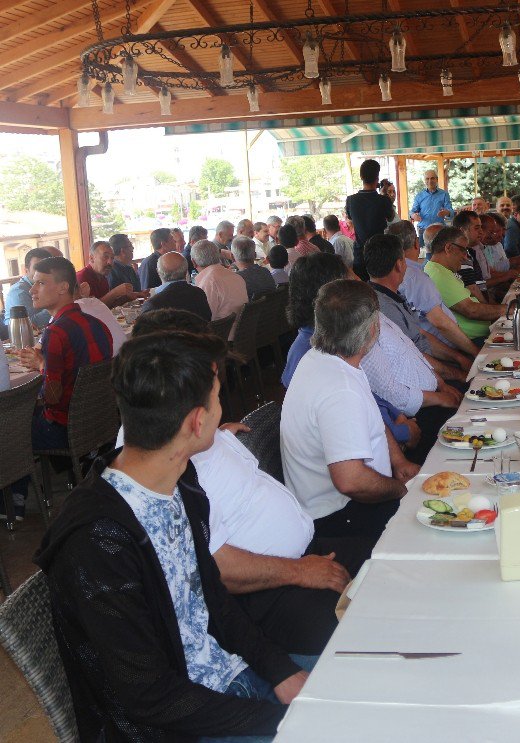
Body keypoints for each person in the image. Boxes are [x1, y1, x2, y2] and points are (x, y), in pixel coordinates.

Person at [36, 330, 307, 741]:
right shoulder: (99, 540)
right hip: (176, 726)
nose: (222, 410)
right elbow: (149, 697)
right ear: (197, 421)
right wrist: (277, 721)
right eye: (217, 399)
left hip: (228, 680)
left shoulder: (180, 480)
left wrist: (280, 669)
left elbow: (212, 597)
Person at [127, 309, 364, 657]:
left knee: (394, 563)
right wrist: (299, 571)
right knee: (372, 634)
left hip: (302, 553)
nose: (217, 406)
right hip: (264, 593)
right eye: (210, 390)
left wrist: (216, 436)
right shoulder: (161, 470)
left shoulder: (186, 434)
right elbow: (214, 567)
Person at [281, 280, 419, 539]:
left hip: (352, 503)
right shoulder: (339, 387)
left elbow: (372, 418)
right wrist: (399, 490)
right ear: (372, 331)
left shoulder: (324, 359)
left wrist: (398, 462)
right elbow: (351, 481)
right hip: (341, 518)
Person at [281, 253, 422, 455]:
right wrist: (400, 432)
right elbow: (344, 427)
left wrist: (395, 413)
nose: (358, 279)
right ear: (333, 296)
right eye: (349, 277)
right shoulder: (310, 353)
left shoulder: (336, 337)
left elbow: (366, 392)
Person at [12, 257, 112, 518]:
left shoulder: (55, 332)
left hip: (65, 428)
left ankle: (13, 503)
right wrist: (45, 363)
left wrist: (43, 368)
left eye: (41, 283)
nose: (32, 290)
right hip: (99, 421)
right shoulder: (97, 324)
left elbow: (52, 397)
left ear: (62, 288)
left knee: (13, 426)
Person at [365, 233, 472, 381]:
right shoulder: (383, 308)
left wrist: (459, 358)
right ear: (399, 264)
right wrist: (457, 375)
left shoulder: (391, 295)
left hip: (431, 367)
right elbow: (412, 355)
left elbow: (420, 335)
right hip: (421, 380)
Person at [386, 220, 480, 357]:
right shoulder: (415, 277)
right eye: (462, 250)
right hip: (444, 352)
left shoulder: (393, 273)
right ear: (416, 243)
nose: (465, 255)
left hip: (423, 350)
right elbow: (440, 323)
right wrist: (475, 353)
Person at [425, 226, 505, 344]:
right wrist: (508, 309)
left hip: (484, 334)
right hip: (474, 341)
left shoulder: (444, 270)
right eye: (463, 250)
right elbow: (471, 310)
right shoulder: (438, 273)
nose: (465, 257)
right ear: (448, 248)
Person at [345, 159, 394, 279]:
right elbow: (391, 217)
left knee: (363, 290)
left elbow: (350, 218)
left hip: (360, 253)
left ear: (361, 177)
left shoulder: (351, 200)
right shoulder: (383, 200)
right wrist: (384, 196)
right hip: (380, 252)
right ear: (377, 178)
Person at [140, 251, 212, 321]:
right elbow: (207, 320)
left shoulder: (153, 305)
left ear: (158, 272)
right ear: (186, 271)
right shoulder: (199, 293)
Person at [191, 239, 249, 322]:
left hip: (221, 333)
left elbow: (204, 320)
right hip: (242, 330)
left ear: (193, 262)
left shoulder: (208, 283)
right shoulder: (237, 277)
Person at [4, 247, 56, 329]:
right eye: (37, 268)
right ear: (26, 270)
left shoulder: (49, 285)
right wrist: (57, 306)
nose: (42, 272)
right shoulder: (18, 292)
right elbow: (28, 325)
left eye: (46, 268)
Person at [76, 240, 138, 308]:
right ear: (91, 258)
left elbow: (108, 305)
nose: (110, 262)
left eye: (112, 258)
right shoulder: (81, 277)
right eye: (105, 257)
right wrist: (114, 293)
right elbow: (90, 309)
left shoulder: (102, 277)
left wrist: (127, 297)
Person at [409, 169, 453, 245]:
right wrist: (413, 215)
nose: (430, 181)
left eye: (432, 178)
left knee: (439, 254)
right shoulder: (419, 196)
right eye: (427, 179)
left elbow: (451, 212)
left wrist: (447, 212)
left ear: (437, 179)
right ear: (424, 181)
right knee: (423, 255)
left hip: (439, 230)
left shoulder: (444, 194)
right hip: (423, 231)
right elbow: (412, 211)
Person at [232, 236, 277, 300]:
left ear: (233, 257)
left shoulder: (237, 280)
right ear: (255, 255)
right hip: (273, 308)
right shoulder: (266, 272)